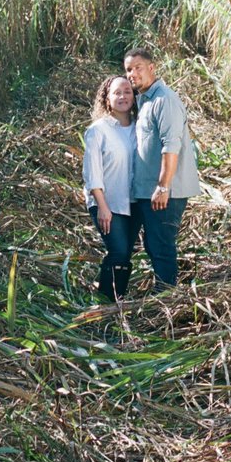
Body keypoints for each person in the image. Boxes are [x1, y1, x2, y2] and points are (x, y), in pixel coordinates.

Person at [123, 47, 200, 289]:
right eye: (128, 70)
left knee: (161, 244)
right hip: (150, 191)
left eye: (138, 68)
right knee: (154, 244)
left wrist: (163, 185)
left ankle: (166, 294)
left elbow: (171, 145)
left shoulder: (164, 100)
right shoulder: (144, 100)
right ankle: (163, 289)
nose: (132, 74)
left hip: (166, 191)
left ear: (152, 68)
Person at [82, 75, 140, 300]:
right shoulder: (98, 130)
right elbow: (92, 172)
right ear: (107, 98)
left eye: (127, 91)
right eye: (117, 92)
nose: (123, 96)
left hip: (134, 203)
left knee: (125, 253)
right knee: (119, 252)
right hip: (107, 203)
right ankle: (106, 301)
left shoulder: (139, 128)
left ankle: (117, 298)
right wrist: (103, 207)